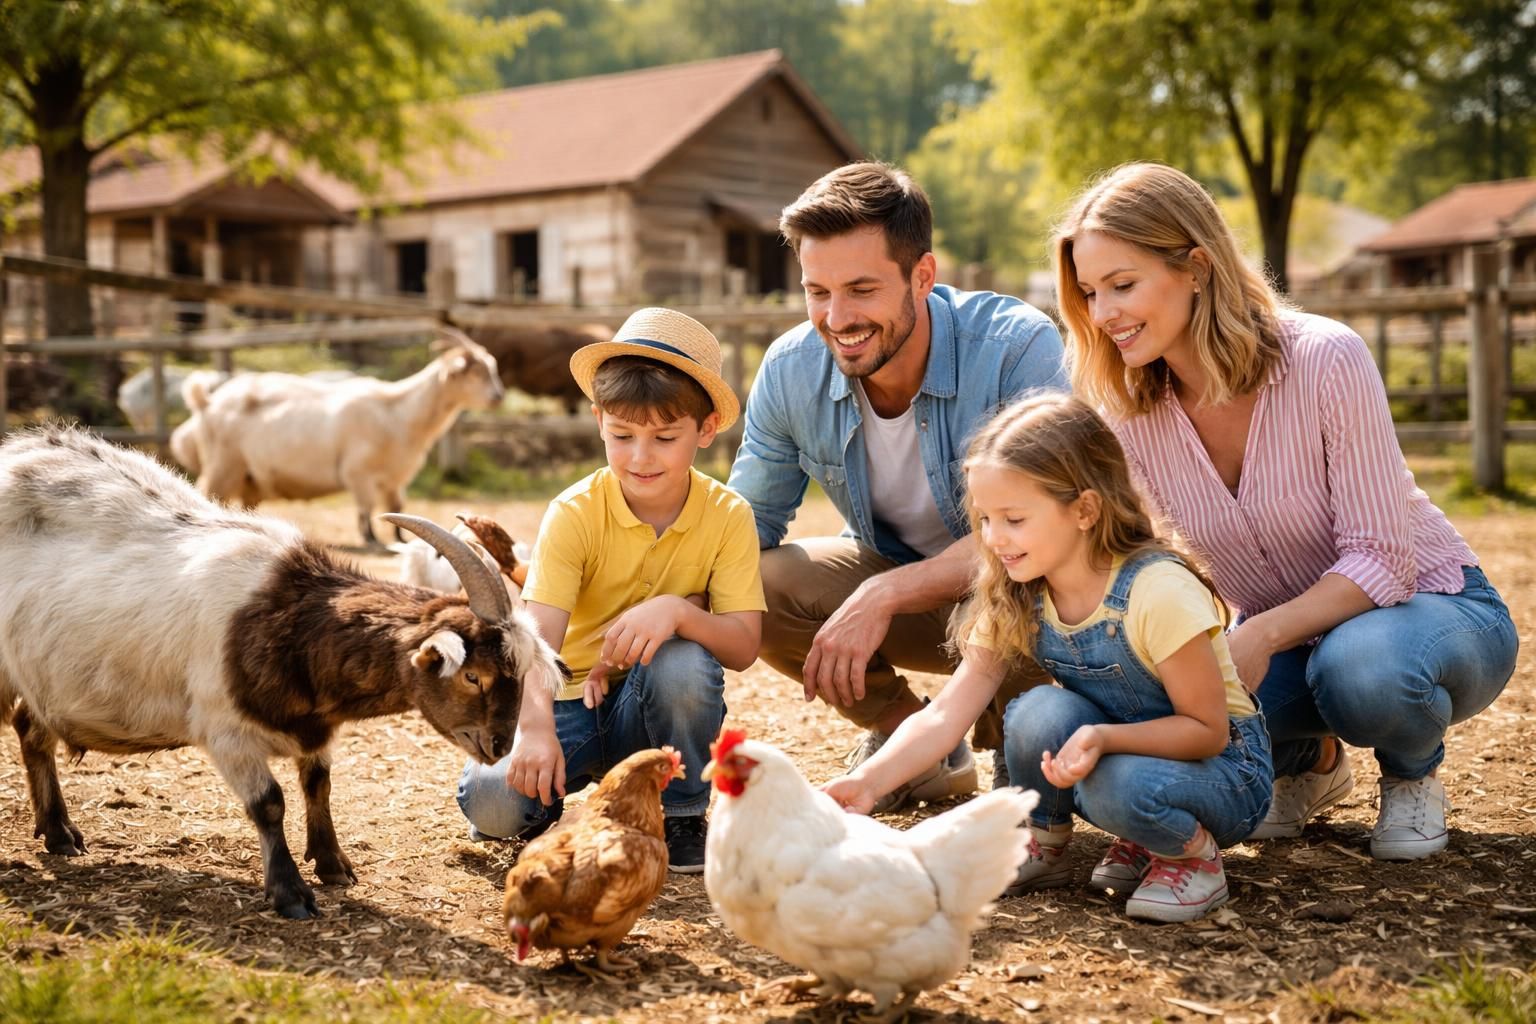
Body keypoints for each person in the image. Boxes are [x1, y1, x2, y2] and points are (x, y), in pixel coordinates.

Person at [1053, 162, 1518, 860]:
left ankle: (1411, 773)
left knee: (1362, 671)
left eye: (1123, 285)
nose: (1105, 312)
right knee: (1189, 717)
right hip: (1290, 640)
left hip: (1431, 612)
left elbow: (1383, 558)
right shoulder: (1130, 413)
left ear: (1197, 267)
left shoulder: (1325, 357)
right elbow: (1152, 562)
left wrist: (1261, 635)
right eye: (1090, 293)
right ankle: (1313, 762)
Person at [826, 393, 1272, 923]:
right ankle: (1049, 842)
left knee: (1113, 783)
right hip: (1118, 757)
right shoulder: (1020, 593)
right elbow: (947, 713)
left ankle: (1192, 855)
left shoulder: (1157, 592)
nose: (994, 539)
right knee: (1038, 711)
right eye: (985, 520)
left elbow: (1207, 730)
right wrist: (869, 783)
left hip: (1223, 773)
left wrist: (1106, 738)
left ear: (1084, 509)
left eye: (1013, 518)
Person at [727, 160, 1067, 812]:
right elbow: (744, 527)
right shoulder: (792, 368)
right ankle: (916, 743)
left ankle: (1023, 748)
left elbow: (1046, 527)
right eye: (817, 291)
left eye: (861, 289)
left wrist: (886, 592)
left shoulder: (1016, 347)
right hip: (916, 605)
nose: (836, 317)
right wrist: (642, 587)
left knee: (1042, 581)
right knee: (758, 583)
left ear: (923, 276)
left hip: (1025, 594)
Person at [457, 307, 765, 872]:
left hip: (651, 714)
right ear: (598, 419)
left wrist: (675, 612)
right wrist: (534, 729)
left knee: (682, 664)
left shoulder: (728, 515)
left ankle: (679, 811)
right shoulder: (574, 512)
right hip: (569, 700)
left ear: (706, 428)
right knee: (492, 806)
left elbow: (743, 646)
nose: (640, 457)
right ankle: (552, 797)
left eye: (664, 437)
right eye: (622, 435)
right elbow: (538, 639)